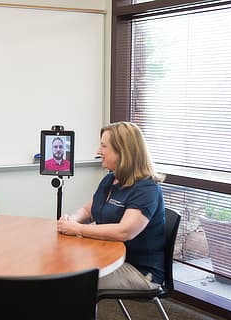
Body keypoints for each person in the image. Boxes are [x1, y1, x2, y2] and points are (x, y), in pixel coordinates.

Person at [57, 121, 165, 290]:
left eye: (104, 146)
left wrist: (78, 229)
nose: (98, 151)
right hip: (108, 255)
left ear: (123, 151)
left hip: (139, 270)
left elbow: (125, 231)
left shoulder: (147, 188)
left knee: (70, 282)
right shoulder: (111, 179)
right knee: (62, 264)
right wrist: (73, 219)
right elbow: (88, 210)